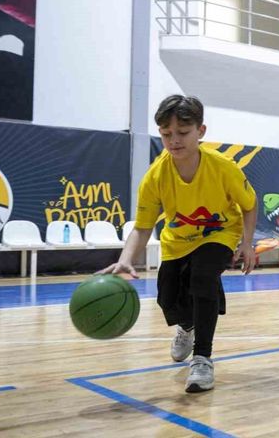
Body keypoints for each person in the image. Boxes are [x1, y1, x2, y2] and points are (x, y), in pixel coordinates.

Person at [98, 95, 257, 392]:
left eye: (183, 133)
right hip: (176, 241)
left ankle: (202, 359)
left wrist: (247, 243)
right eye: (166, 134)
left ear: (201, 131)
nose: (174, 140)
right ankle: (187, 326)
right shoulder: (156, 175)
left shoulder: (223, 167)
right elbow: (143, 227)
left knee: (203, 277)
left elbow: (249, 204)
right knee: (167, 298)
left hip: (219, 233)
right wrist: (125, 258)